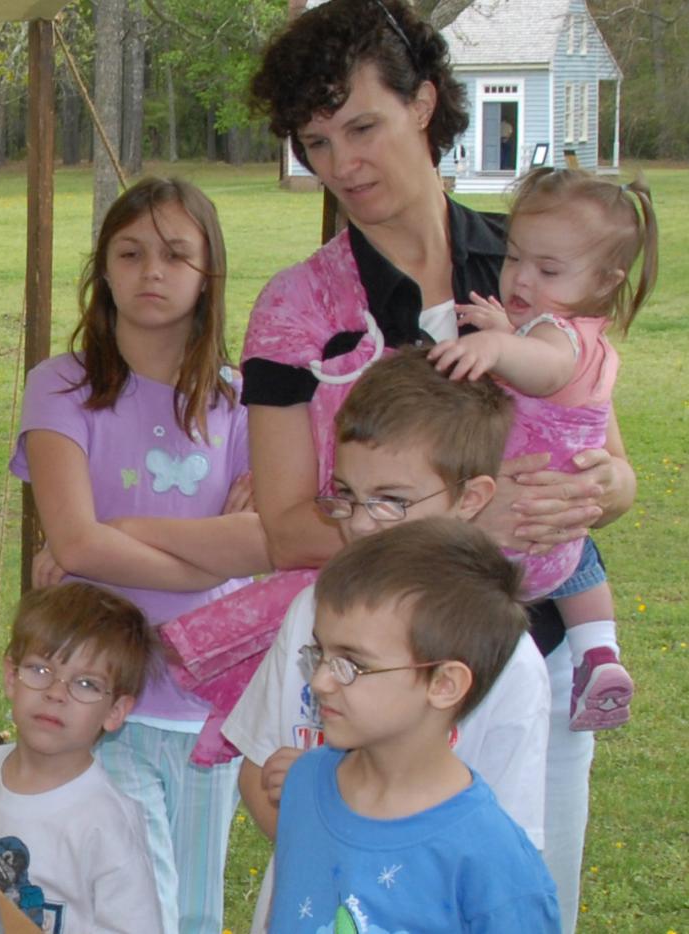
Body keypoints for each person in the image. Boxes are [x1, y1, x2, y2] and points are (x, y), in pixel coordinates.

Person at [236, 2, 637, 926]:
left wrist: (606, 489)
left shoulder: (528, 267)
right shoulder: (295, 311)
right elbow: (290, 523)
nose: (343, 165)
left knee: (518, 895)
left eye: (363, 126)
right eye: (317, 142)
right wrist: (457, 533)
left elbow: (608, 459)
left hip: (527, 658)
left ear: (424, 104)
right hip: (382, 687)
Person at [9, 176, 270, 932]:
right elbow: (75, 540)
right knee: (122, 903)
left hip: (207, 699)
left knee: (191, 908)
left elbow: (263, 542)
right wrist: (212, 555)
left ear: (207, 273)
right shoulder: (63, 386)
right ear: (103, 269)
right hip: (95, 689)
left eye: (175, 254)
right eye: (130, 252)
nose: (151, 271)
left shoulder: (242, 400)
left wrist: (120, 530)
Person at [220, 350, 549, 932]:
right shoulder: (316, 611)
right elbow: (257, 765)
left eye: (392, 501)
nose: (361, 522)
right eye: (346, 492)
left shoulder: (506, 662)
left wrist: (368, 861)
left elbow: (505, 850)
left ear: (470, 499)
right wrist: (324, 826)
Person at [429, 167, 658, 731]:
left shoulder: (561, 337)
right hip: (562, 528)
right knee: (579, 570)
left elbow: (546, 365)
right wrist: (508, 327)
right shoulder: (583, 332)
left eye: (548, 269)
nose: (522, 278)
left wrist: (495, 345)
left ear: (607, 281)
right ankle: (598, 653)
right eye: (514, 258)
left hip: (518, 529)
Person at [269, 518, 561, 933]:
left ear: (444, 684)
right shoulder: (304, 782)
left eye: (351, 664)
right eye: (319, 651)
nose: (319, 680)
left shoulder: (492, 859)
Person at [0, 583, 164, 933]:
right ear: (12, 677)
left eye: (86, 684)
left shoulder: (108, 824)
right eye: (40, 670)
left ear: (115, 711)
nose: (56, 693)